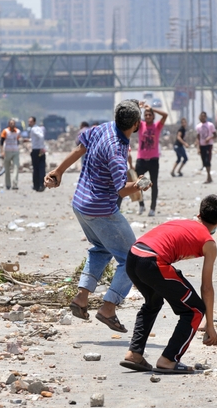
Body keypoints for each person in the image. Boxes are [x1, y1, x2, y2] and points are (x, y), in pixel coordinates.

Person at [45, 99, 148, 333]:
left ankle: (81, 298)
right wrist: (141, 184)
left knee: (102, 248)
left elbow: (79, 149)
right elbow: (122, 189)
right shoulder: (117, 150)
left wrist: (58, 171)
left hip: (80, 204)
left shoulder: (102, 128)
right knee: (133, 258)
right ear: (134, 124)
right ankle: (109, 307)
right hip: (101, 210)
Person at [120, 195, 217, 374]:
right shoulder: (209, 243)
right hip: (153, 261)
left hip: (133, 256)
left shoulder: (181, 222)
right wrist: (210, 325)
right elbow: (206, 287)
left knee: (153, 302)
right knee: (195, 309)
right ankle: (169, 359)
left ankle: (134, 353)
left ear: (198, 214)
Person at [135, 102, 167, 217]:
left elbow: (165, 115)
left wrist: (152, 108)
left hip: (153, 160)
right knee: (139, 183)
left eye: (150, 115)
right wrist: (139, 107)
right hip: (141, 160)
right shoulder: (141, 125)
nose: (148, 116)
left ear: (153, 116)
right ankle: (141, 204)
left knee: (153, 184)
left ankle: (152, 208)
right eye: (146, 115)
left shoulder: (157, 126)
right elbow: (133, 117)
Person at [21, 116, 47, 192]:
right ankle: (42, 184)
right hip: (41, 150)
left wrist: (40, 147)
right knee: (42, 167)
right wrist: (29, 140)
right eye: (29, 122)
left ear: (34, 122)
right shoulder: (39, 128)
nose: (29, 123)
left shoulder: (33, 129)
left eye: (30, 122)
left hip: (36, 150)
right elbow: (36, 138)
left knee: (36, 168)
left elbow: (41, 137)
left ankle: (37, 185)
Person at [196, 111, 216, 183]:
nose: (202, 117)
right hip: (202, 145)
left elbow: (215, 135)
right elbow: (198, 138)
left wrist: (209, 138)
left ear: (206, 117)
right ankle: (209, 177)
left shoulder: (210, 125)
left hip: (208, 145)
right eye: (201, 116)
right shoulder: (198, 126)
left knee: (208, 161)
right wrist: (198, 148)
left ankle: (209, 177)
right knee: (204, 162)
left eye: (204, 116)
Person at [0, 119, 21, 190]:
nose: (12, 125)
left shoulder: (17, 131)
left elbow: (17, 140)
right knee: (7, 169)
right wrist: (2, 151)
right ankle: (8, 184)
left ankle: (15, 184)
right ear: (9, 124)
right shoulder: (5, 131)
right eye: (11, 123)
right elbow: (1, 142)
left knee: (16, 167)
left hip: (15, 151)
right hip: (7, 151)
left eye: (13, 123)